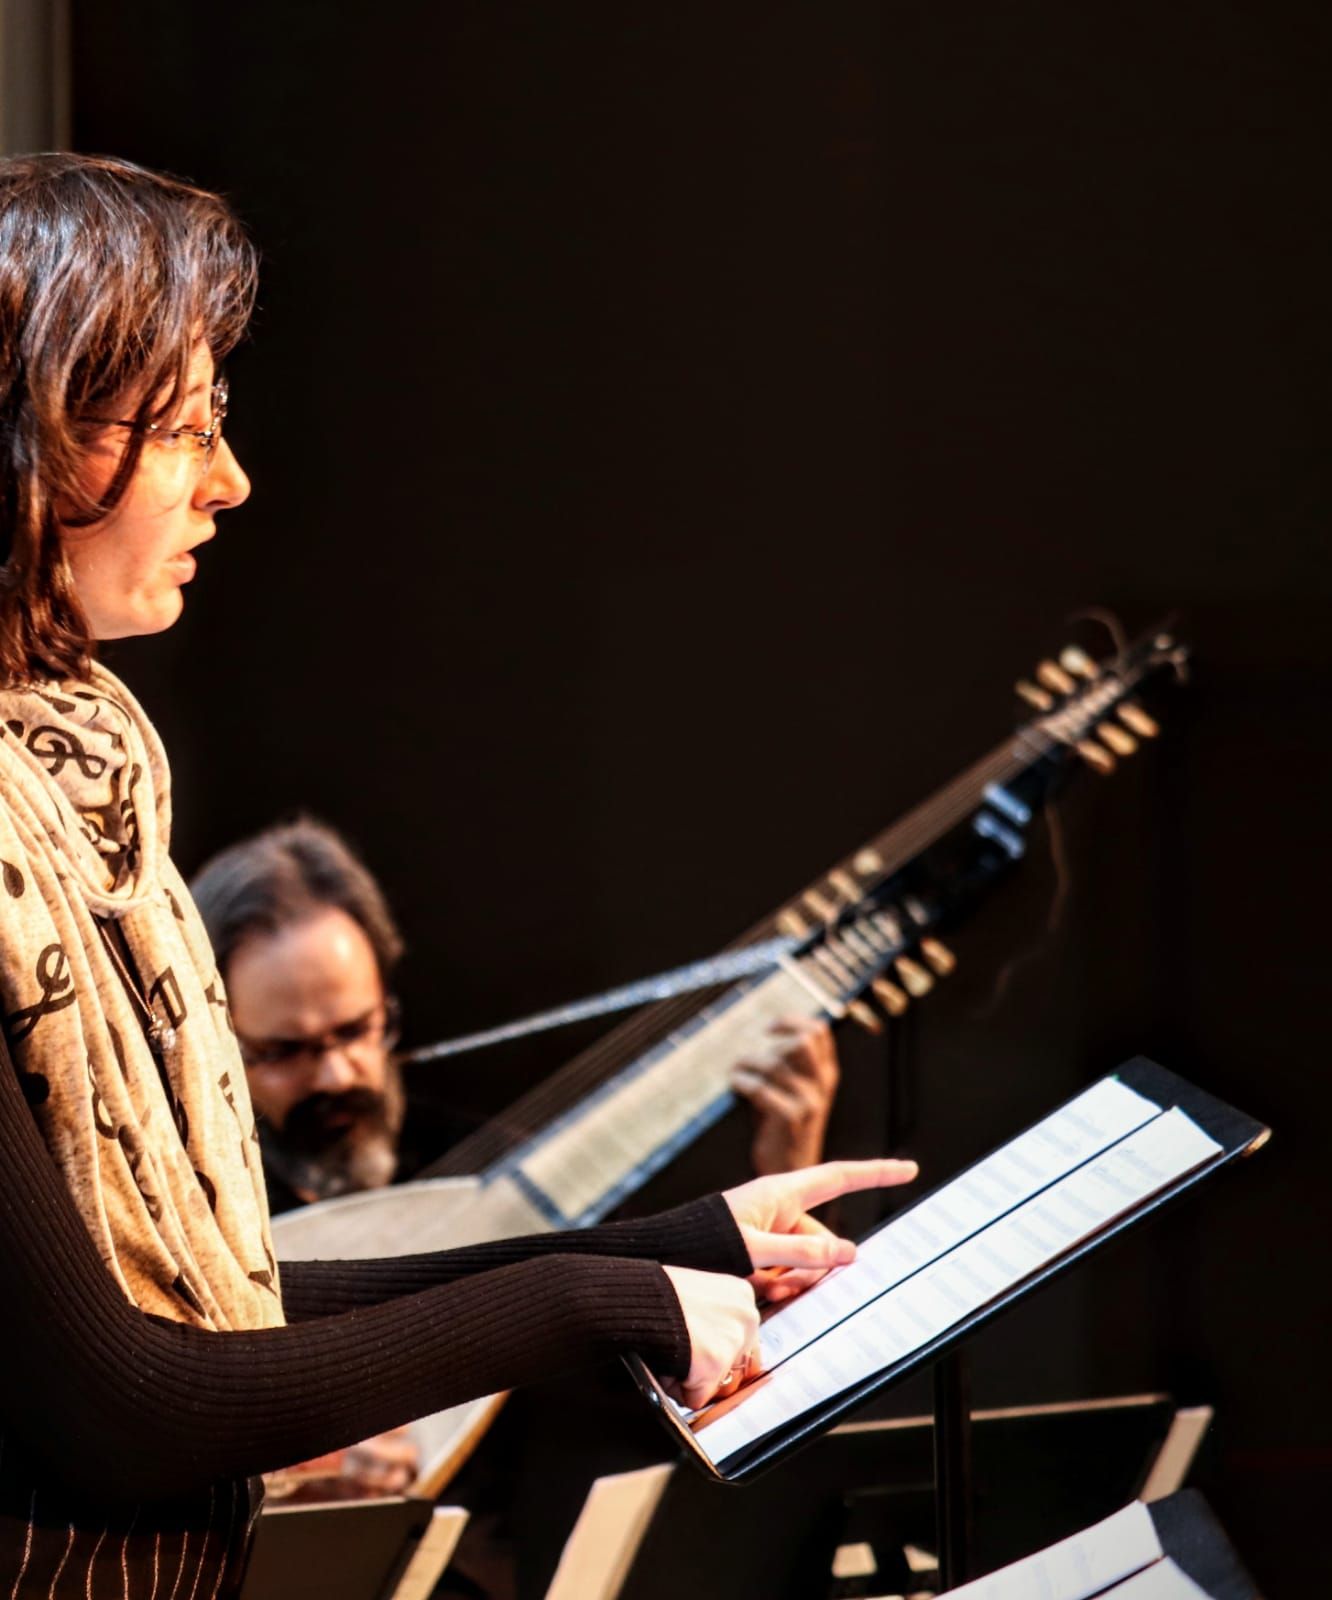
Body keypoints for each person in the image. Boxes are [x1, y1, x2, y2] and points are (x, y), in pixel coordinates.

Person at [0, 152, 917, 1596]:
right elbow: (132, 1404)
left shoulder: (76, 781)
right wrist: (575, 1301)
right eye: (183, 429)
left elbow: (219, 1299)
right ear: (33, 444)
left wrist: (664, 1248)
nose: (231, 482)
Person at [189, 817, 844, 1214]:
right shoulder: (187, 1214)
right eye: (284, 1051)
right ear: (213, 1042)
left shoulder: (486, 1178)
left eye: (357, 1030)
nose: (337, 1074)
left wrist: (787, 1176)